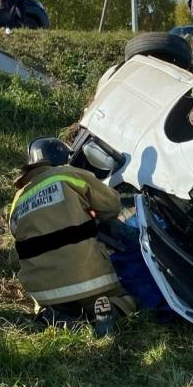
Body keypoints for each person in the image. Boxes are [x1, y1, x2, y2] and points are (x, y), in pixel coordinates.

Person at [9, 137, 136, 335]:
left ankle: (54, 315)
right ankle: (110, 309)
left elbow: (17, 233)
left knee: (56, 303)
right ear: (61, 158)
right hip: (89, 279)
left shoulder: (18, 199)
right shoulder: (68, 174)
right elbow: (112, 205)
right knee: (127, 296)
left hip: (43, 290)